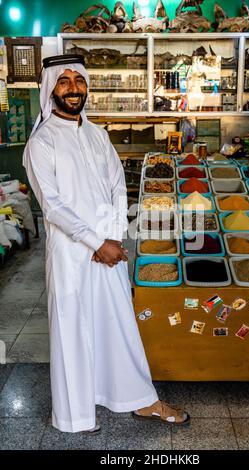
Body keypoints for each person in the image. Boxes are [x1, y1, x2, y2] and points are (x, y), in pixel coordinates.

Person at [23, 54, 189, 433]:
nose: (72, 88)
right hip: (70, 255)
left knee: (119, 324)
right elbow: (53, 206)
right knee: (73, 330)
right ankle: (76, 416)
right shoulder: (41, 142)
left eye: (78, 81)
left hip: (108, 250)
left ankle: (141, 399)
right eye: (63, 81)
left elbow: (118, 188)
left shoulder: (99, 136)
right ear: (50, 88)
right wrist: (96, 241)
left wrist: (112, 236)